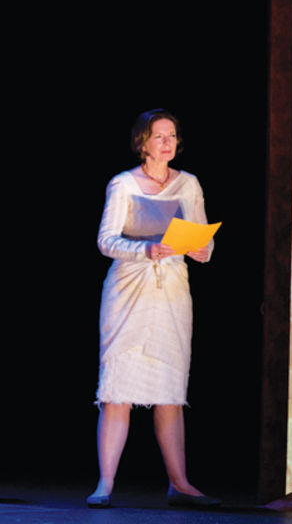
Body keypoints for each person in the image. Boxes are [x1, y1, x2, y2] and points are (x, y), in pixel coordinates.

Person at [87, 109, 219, 509]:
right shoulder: (123, 184)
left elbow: (204, 240)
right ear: (142, 142)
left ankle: (180, 483)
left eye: (172, 135)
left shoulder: (189, 183)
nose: (167, 142)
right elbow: (106, 241)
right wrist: (145, 249)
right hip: (129, 288)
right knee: (117, 391)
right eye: (159, 136)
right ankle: (105, 484)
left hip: (172, 292)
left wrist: (203, 250)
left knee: (170, 392)